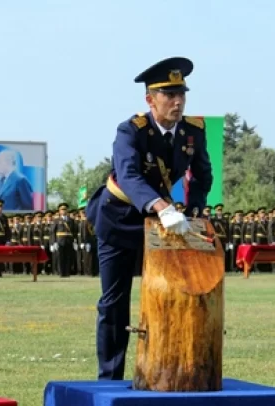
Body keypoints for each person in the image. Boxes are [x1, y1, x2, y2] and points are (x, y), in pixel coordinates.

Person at [86, 56, 212, 380]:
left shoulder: (194, 131)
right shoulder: (131, 130)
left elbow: (202, 175)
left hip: (162, 223)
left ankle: (163, 369)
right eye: (169, 95)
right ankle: (109, 377)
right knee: (114, 301)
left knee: (167, 293)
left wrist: (194, 210)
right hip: (119, 218)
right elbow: (128, 175)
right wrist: (162, 206)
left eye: (181, 93)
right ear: (150, 99)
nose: (177, 101)